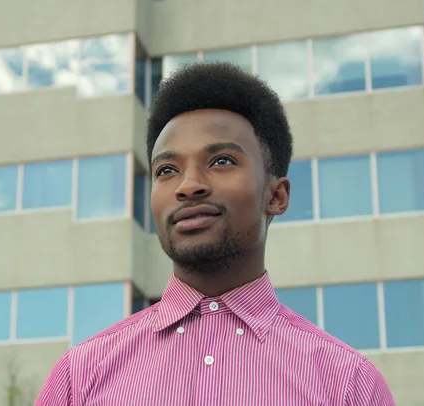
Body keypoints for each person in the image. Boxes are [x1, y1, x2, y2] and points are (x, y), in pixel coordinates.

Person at [35, 62, 396, 405]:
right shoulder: (78, 378)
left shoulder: (348, 385)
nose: (188, 185)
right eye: (166, 170)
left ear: (276, 195)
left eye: (221, 161)